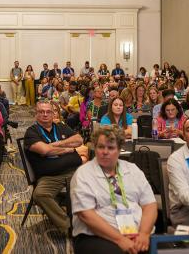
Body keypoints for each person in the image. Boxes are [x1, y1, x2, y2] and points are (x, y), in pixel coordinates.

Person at [71, 126, 156, 253]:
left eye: (110, 148)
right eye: (100, 147)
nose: (105, 152)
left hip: (136, 231)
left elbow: (150, 205)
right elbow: (85, 214)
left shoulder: (132, 169)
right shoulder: (83, 174)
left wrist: (144, 233)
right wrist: (119, 239)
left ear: (119, 149)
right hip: (96, 236)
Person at [24, 100, 88, 234]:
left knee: (95, 186)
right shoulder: (31, 132)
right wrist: (68, 149)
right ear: (36, 114)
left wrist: (57, 144)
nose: (45, 114)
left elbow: (79, 140)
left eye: (48, 112)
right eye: (41, 112)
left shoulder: (60, 127)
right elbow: (45, 151)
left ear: (53, 113)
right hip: (50, 176)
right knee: (40, 194)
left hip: (74, 171)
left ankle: (96, 223)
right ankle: (68, 226)